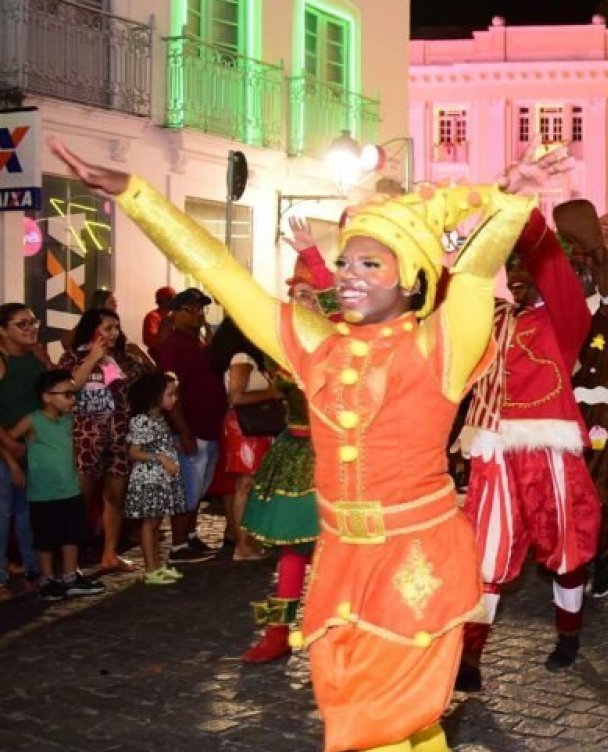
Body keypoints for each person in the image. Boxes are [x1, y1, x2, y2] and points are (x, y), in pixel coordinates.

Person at [49, 136, 556, 752]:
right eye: (345, 263)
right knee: (377, 715)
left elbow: (475, 272)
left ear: (413, 279)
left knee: (378, 724)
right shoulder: (315, 342)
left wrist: (507, 203)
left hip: (414, 560)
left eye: (372, 265)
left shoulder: (438, 347)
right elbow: (220, 273)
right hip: (342, 557)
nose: (349, 276)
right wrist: (136, 195)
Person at [455, 207, 600, 685]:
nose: (515, 275)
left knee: (565, 546)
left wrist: (526, 218)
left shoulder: (566, 320)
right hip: (493, 452)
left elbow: (554, 269)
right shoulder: (491, 319)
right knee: (486, 553)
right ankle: (470, 659)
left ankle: (568, 635)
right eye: (509, 266)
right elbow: (445, 291)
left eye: (524, 266)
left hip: (548, 452)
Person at [238, 234, 336, 664]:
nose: (304, 301)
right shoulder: (283, 342)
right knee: (292, 551)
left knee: (341, 552)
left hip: (339, 457)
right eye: (297, 294)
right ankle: (277, 631)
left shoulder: (342, 341)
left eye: (312, 295)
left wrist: (314, 256)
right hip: (295, 452)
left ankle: (338, 633)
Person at [564, 203, 608, 603]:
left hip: (602, 403)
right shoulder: (573, 282)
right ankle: (570, 554)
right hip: (562, 401)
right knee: (566, 480)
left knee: (598, 483)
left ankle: (600, 554)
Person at [58, 308, 148, 574]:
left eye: (116, 328)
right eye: (107, 328)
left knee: (115, 496)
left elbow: (149, 382)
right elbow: (69, 387)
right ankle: (70, 563)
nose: (113, 333)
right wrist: (93, 358)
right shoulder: (72, 357)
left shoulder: (120, 360)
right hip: (84, 439)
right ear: (92, 329)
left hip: (118, 437)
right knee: (80, 499)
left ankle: (109, 553)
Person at [8, 370, 105, 602]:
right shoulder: (32, 420)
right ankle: (48, 579)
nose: (72, 399)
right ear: (47, 396)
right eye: (67, 394)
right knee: (46, 539)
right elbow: (8, 441)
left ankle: (71, 577)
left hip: (69, 488)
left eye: (74, 394)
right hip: (43, 493)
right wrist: (14, 466)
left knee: (71, 535)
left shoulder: (69, 421)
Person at [154, 288, 224, 564]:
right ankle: (179, 544)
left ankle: (191, 536)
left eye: (200, 309)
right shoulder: (174, 345)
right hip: (191, 427)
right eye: (192, 309)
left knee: (199, 488)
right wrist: (183, 430)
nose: (198, 314)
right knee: (187, 488)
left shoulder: (198, 341)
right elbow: (171, 392)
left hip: (208, 426)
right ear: (176, 312)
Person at [210, 317, 279, 561]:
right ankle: (242, 545)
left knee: (250, 485)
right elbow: (236, 397)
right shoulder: (242, 358)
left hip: (252, 427)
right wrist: (272, 392)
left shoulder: (247, 359)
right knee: (245, 485)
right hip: (245, 428)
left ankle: (248, 541)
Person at [124, 372, 186, 585]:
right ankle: (151, 567)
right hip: (149, 477)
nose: (174, 398)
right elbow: (134, 451)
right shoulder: (143, 420)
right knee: (150, 523)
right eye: (170, 394)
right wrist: (159, 457)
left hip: (160, 478)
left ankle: (157, 565)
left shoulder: (157, 418)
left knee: (156, 522)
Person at [0, 303, 44, 592]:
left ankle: (33, 569)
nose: (30, 328)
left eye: (32, 322)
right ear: (3, 331)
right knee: (2, 515)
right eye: (22, 324)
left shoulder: (34, 358)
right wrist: (9, 449)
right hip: (6, 449)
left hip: (30, 450)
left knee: (27, 514)